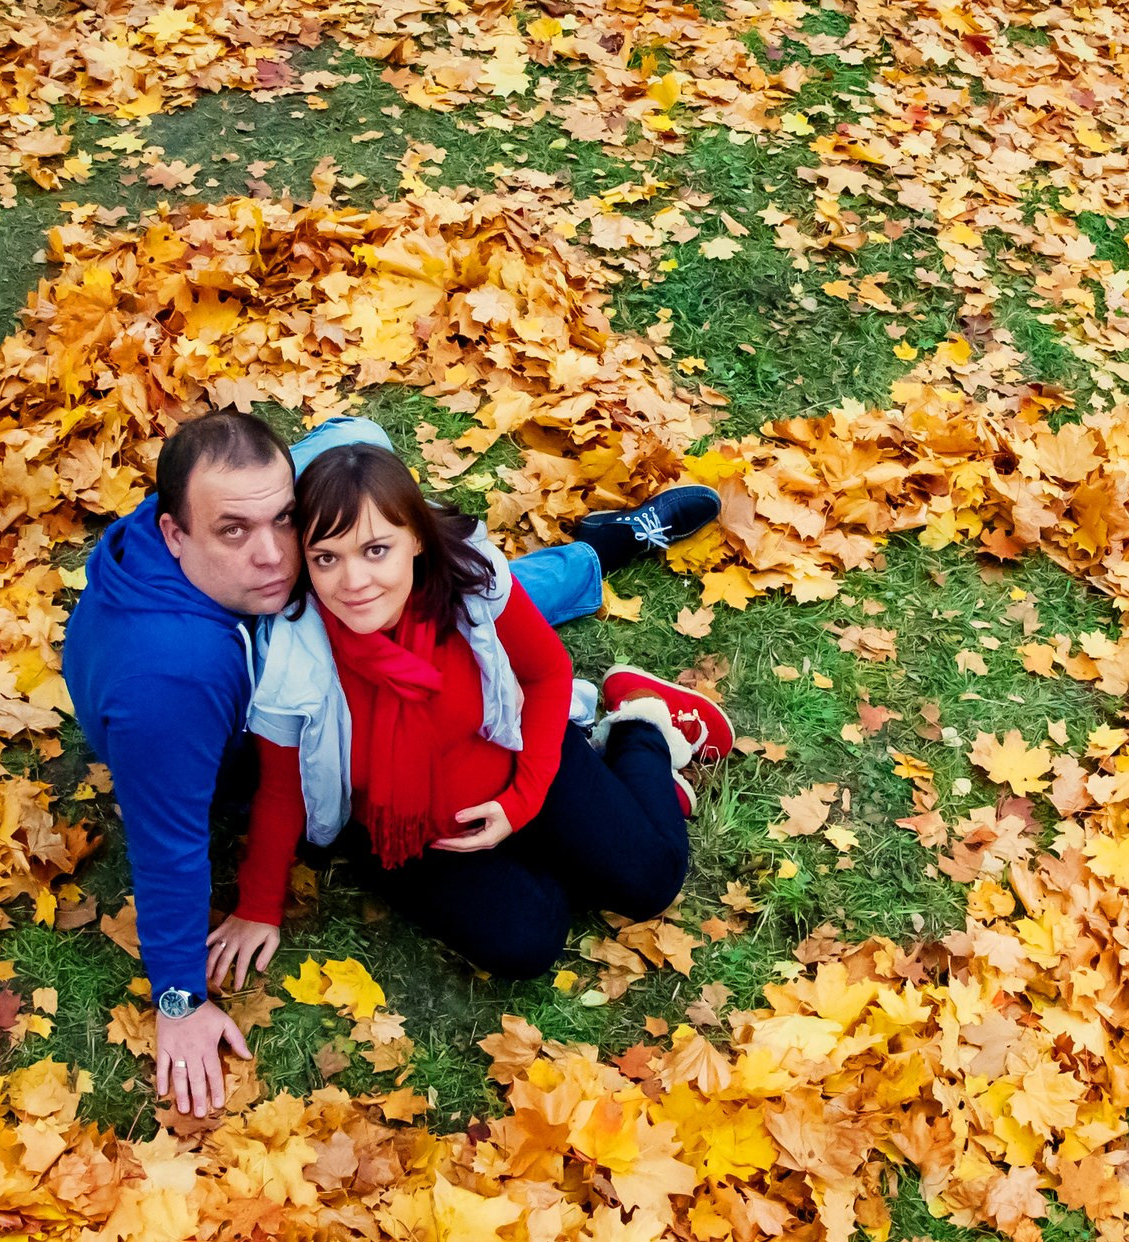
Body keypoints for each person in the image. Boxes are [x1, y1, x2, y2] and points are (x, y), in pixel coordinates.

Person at [62, 407, 721, 1115]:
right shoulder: (190, 675)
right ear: (174, 531)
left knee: (458, 574)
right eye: (234, 531)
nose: (273, 557)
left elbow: (363, 454)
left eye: (285, 520)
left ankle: (613, 592)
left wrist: (528, 797)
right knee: (532, 925)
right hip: (396, 806)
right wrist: (181, 996)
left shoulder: (419, 565)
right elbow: (178, 839)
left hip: (491, 737)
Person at [202, 441, 737, 993]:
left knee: (651, 882)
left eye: (376, 550)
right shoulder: (295, 656)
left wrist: (523, 800)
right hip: (408, 835)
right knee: (528, 943)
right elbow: (281, 789)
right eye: (326, 558)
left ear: (413, 537)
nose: (354, 582)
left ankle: (640, 729)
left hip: (519, 765)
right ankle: (586, 834)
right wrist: (258, 906)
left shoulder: (468, 585)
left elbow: (547, 673)